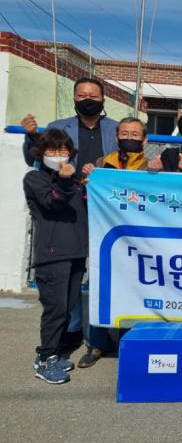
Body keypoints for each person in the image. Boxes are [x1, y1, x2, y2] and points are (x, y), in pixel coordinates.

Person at [21, 77, 117, 353]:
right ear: (74, 98)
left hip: (105, 206)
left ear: (103, 99)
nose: (88, 99)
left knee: (102, 270)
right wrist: (31, 136)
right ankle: (72, 330)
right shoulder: (58, 127)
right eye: (82, 95)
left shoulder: (115, 128)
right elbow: (35, 159)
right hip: (67, 202)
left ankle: (100, 336)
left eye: (93, 95)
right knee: (70, 270)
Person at [76, 117, 148, 368]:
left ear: (145, 140)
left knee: (135, 288)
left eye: (135, 134)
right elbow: (88, 196)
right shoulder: (101, 165)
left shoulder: (152, 166)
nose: (130, 138)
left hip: (138, 239)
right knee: (101, 286)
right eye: (124, 133)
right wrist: (87, 181)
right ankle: (97, 343)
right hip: (106, 237)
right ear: (116, 137)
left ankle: (127, 342)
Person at [24, 129, 88, 384]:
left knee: (68, 308)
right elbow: (52, 203)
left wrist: (87, 182)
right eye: (52, 150)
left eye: (63, 150)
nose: (59, 155)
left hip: (76, 253)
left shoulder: (74, 182)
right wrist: (64, 180)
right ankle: (45, 358)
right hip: (52, 256)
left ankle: (57, 353)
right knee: (55, 310)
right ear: (41, 153)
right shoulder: (35, 178)